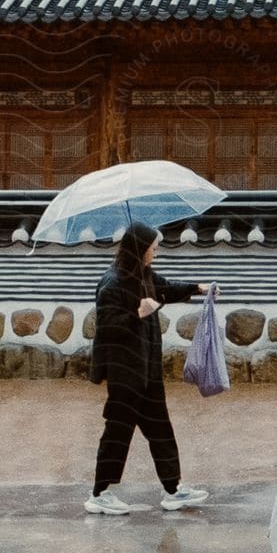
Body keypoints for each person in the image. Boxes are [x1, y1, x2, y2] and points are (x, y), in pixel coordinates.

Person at [84, 221, 210, 516]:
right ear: (140, 249)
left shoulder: (144, 276)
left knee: (161, 430)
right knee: (117, 432)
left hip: (147, 371)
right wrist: (137, 314)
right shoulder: (112, 283)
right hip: (125, 373)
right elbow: (107, 328)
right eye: (153, 248)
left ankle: (173, 489)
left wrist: (196, 288)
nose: (156, 252)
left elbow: (165, 289)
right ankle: (99, 494)